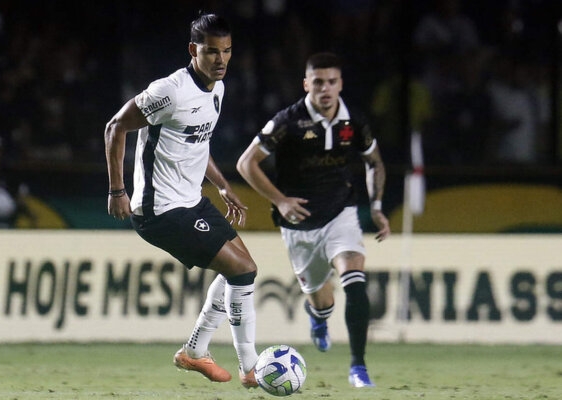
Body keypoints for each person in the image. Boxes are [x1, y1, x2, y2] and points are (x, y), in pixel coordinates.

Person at [104, 13, 259, 388]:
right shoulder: (169, 91)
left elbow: (197, 143)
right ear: (193, 50)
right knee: (242, 272)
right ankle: (250, 366)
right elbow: (115, 127)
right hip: (160, 210)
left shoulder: (216, 89)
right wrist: (117, 190)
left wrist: (221, 185)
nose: (221, 60)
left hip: (193, 200)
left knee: (242, 269)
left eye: (227, 51)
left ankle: (195, 351)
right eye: (211, 52)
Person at [236, 52, 390, 388]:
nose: (325, 89)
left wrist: (376, 206)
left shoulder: (354, 123)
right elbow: (246, 163)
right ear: (306, 84)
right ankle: (317, 317)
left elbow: (375, 162)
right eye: (318, 82)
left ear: (340, 84)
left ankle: (358, 367)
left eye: (331, 81)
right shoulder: (287, 122)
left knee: (355, 278)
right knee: (323, 301)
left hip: (341, 213)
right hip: (300, 224)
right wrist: (280, 200)